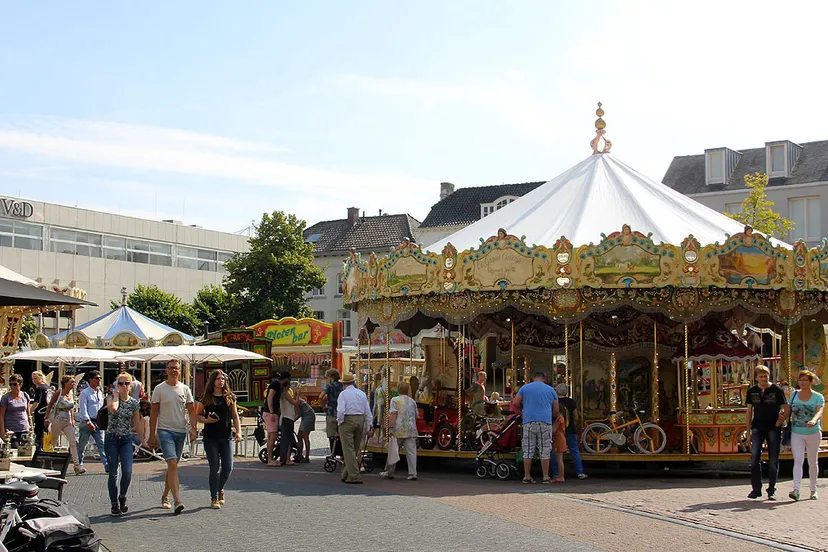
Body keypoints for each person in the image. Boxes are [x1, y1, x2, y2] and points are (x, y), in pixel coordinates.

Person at [148, 360, 197, 515]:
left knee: (173, 467)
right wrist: (152, 434)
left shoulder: (185, 389)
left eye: (176, 368)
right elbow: (153, 412)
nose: (174, 371)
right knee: (172, 463)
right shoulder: (159, 389)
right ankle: (177, 500)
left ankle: (165, 495)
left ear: (180, 370)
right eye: (171, 368)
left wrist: (193, 429)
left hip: (180, 431)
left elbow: (191, 410)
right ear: (166, 370)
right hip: (165, 430)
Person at [196, 370, 242, 509]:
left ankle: (219, 488)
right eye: (218, 379)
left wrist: (238, 431)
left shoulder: (230, 397)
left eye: (223, 379)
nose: (221, 381)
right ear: (212, 381)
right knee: (214, 468)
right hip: (211, 438)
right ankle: (214, 497)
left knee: (228, 467)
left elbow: (235, 416)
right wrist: (207, 420)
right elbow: (198, 415)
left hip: (226, 437)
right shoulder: (206, 398)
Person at [746, 365, 788, 500]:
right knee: (754, 457)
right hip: (757, 426)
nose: (764, 379)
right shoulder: (752, 391)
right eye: (761, 376)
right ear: (756, 378)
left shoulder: (776, 390)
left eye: (766, 376)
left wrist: (780, 421)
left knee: (773, 459)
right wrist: (748, 430)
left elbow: (786, 408)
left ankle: (771, 489)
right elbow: (749, 411)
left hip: (773, 427)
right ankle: (756, 489)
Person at [512, 372, 559, 484]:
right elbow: (556, 410)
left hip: (529, 421)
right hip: (545, 421)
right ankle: (545, 477)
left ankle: (527, 476)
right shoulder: (551, 390)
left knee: (528, 450)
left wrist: (522, 410)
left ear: (533, 378)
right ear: (544, 378)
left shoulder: (525, 388)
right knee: (545, 450)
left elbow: (515, 402)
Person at [105, 372, 141, 516]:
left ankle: (122, 496)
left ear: (131, 385)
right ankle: (114, 504)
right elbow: (113, 409)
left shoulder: (134, 403)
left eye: (127, 383)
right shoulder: (110, 397)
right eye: (120, 384)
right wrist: (115, 396)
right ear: (117, 385)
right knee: (113, 473)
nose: (124, 386)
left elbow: (137, 422)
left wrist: (144, 439)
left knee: (127, 471)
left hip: (126, 439)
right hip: (111, 438)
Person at [788, 369, 824, 501]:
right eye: (800, 380)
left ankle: (813, 489)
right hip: (797, 431)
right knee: (798, 460)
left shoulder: (818, 397)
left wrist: (814, 420)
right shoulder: (794, 395)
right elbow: (788, 409)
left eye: (805, 380)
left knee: (812, 461)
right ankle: (796, 489)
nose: (802, 382)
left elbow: (820, 411)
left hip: (813, 432)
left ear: (811, 382)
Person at [336, 373, 373, 484]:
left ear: (344, 384)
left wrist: (340, 422)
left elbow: (341, 410)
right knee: (355, 448)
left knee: (348, 450)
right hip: (360, 420)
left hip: (347, 420)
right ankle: (345, 474)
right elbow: (367, 411)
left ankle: (354, 476)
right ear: (353, 382)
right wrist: (369, 425)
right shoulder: (361, 393)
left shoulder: (343, 394)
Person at [45, 375, 85, 475]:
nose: (74, 384)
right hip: (57, 420)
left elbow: (70, 409)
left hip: (67, 421)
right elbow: (50, 405)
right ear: (65, 383)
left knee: (73, 442)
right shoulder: (59, 393)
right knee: (53, 442)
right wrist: (46, 418)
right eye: (72, 382)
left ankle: (77, 465)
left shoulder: (72, 393)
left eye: (74, 382)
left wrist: (72, 420)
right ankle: (49, 463)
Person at [380, 381, 418, 481]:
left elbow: (393, 414)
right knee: (411, 452)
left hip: (398, 429)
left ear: (398, 389)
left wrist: (391, 428)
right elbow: (415, 415)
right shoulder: (412, 401)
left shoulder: (395, 400)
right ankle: (413, 473)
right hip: (410, 429)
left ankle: (390, 471)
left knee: (393, 450)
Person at [77, 370, 108, 473]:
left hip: (98, 421)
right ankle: (79, 464)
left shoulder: (100, 392)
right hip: (88, 421)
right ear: (90, 380)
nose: (99, 380)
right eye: (96, 378)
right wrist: (88, 421)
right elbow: (83, 408)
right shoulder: (85, 393)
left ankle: (107, 465)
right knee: (82, 444)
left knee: (102, 443)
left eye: (100, 378)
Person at [554, 383, 587, 480]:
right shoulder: (571, 402)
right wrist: (575, 424)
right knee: (574, 450)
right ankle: (580, 472)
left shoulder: (554, 402)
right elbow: (575, 416)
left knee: (555, 451)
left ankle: (556, 473)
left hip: (558, 429)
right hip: (570, 428)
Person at [0, 374, 32, 449]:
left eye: (15, 384)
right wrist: (2, 433)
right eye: (10, 384)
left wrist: (31, 427)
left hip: (24, 428)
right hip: (11, 429)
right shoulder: (6, 398)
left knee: (26, 451)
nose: (12, 386)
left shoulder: (25, 395)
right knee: (14, 448)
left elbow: (28, 413)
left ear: (20, 384)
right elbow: (1, 415)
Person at [318, 369, 343, 454]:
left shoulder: (329, 386)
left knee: (331, 434)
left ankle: (333, 453)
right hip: (341, 413)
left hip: (331, 412)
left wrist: (323, 406)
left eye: (327, 377)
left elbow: (320, 396)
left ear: (331, 377)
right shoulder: (342, 386)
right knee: (341, 435)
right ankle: (342, 454)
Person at [277, 372, 299, 466]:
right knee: (286, 439)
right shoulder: (286, 394)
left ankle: (286, 458)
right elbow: (295, 403)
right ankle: (284, 459)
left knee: (287, 439)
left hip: (285, 417)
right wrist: (298, 394)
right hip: (288, 417)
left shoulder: (282, 394)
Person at [263, 375, 281, 466]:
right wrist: (272, 412)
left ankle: (270, 458)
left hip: (269, 413)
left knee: (271, 435)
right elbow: (270, 397)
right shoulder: (276, 384)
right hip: (270, 413)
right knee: (273, 435)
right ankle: (270, 459)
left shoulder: (276, 384)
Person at [30, 371, 50, 451]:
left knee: (39, 433)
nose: (34, 381)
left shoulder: (39, 388)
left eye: (35, 378)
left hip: (40, 413)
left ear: (41, 378)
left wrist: (29, 411)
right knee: (46, 432)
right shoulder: (47, 387)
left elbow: (36, 402)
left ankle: (39, 450)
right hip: (47, 412)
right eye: (32, 379)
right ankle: (46, 448)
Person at [296, 398, 315, 463]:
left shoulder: (296, 401)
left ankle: (306, 457)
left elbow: (298, 413)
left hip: (308, 416)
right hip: (305, 416)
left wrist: (292, 421)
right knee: (299, 436)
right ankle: (300, 455)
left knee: (305, 436)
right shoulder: (296, 399)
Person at [550, 409, 566, 483]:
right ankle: (560, 476)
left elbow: (553, 430)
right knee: (559, 459)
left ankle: (561, 477)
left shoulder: (559, 419)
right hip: (560, 439)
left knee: (559, 459)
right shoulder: (561, 418)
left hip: (558, 439)